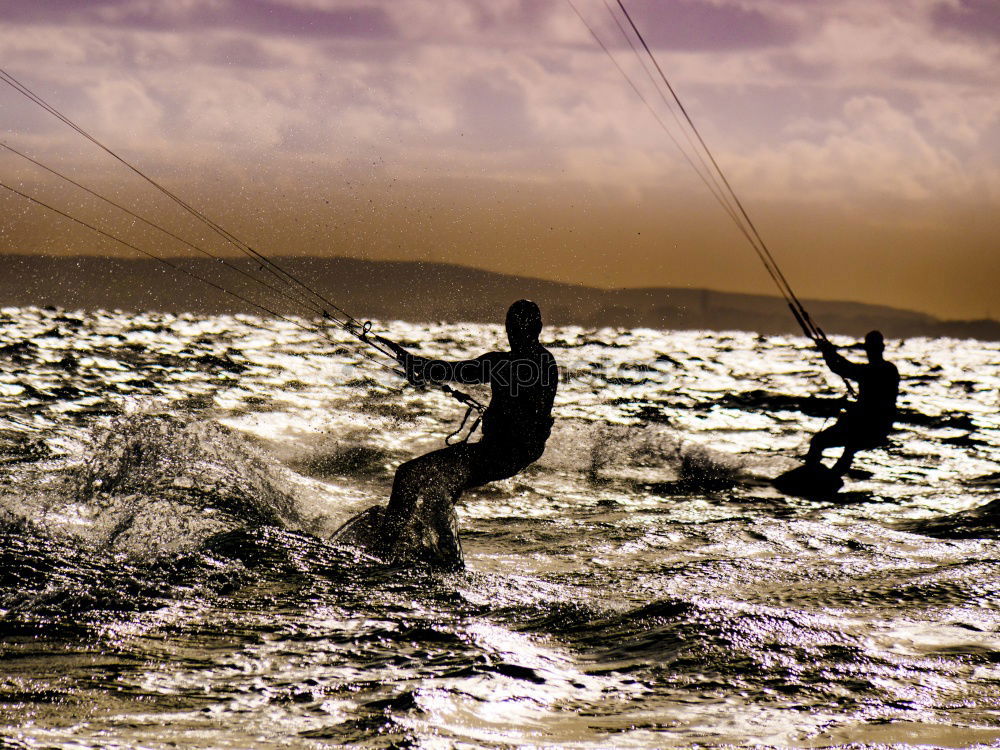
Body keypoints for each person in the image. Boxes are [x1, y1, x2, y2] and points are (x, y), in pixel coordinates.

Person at [337, 300, 558, 568]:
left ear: (536, 328)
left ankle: (383, 555)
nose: (514, 333)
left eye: (518, 327)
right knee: (436, 490)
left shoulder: (529, 363)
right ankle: (433, 552)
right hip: (511, 454)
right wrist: (424, 368)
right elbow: (468, 371)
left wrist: (422, 366)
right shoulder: (535, 361)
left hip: (501, 454)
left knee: (407, 475)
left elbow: (464, 371)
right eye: (512, 327)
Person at [805, 330, 899, 474]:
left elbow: (844, 368)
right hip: (872, 424)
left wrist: (829, 352)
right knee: (822, 442)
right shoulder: (886, 369)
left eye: (871, 349)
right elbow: (841, 368)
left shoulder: (880, 370)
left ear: (879, 349)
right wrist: (829, 353)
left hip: (872, 426)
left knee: (843, 444)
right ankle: (816, 475)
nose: (870, 352)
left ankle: (823, 477)